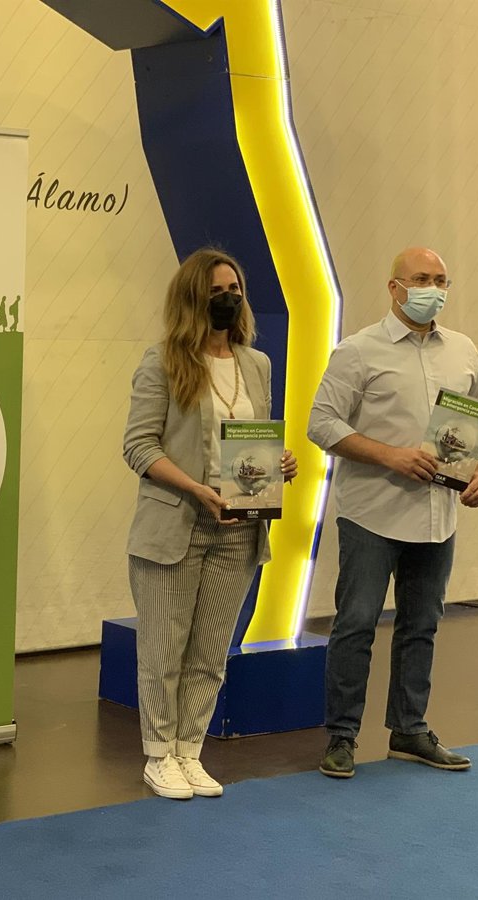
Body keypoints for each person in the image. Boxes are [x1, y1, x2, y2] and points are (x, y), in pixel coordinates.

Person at [307, 246, 478, 778]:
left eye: (440, 279)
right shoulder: (357, 350)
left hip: (438, 517)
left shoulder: (463, 350)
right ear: (394, 287)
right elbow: (321, 423)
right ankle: (342, 735)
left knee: (422, 625)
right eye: (420, 279)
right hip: (371, 514)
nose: (431, 289)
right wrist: (390, 455)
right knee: (356, 624)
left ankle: (409, 731)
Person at [122, 247, 296, 800]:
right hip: (176, 526)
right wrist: (196, 489)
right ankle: (158, 756)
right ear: (193, 298)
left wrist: (279, 463)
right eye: (217, 291)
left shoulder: (257, 364)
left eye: (235, 290)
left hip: (240, 528)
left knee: (210, 652)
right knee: (163, 650)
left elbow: (252, 441)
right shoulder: (161, 361)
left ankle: (189, 752)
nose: (229, 299)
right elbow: (138, 447)